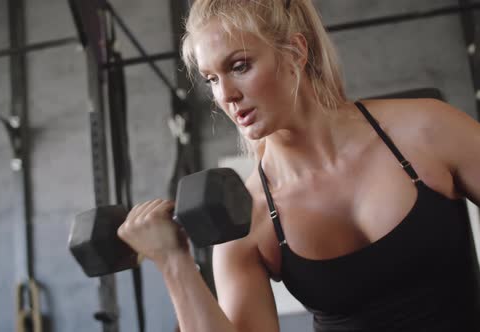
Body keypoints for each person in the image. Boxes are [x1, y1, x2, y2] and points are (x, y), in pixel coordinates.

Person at [117, 0, 480, 331]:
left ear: (295, 50)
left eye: (239, 66)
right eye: (212, 79)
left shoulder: (426, 130)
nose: (225, 95)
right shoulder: (249, 218)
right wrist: (174, 261)